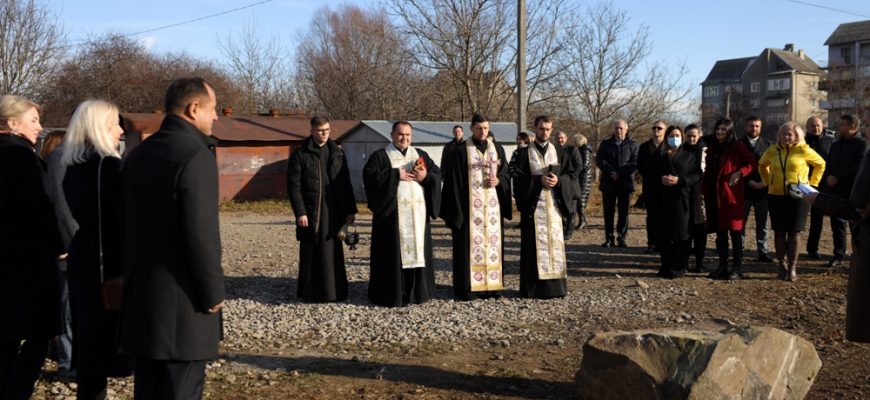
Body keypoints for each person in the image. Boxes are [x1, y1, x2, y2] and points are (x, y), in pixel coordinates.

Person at [119, 78, 226, 399]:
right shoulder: (194, 155)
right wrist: (212, 292)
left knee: (150, 390)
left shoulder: (138, 154)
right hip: (183, 306)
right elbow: (201, 233)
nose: (217, 117)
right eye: (213, 109)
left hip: (143, 301)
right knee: (181, 390)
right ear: (193, 109)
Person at [61, 100, 135, 399]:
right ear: (101, 127)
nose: (120, 130)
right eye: (115, 123)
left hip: (84, 258)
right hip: (106, 264)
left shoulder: (72, 166)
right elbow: (121, 220)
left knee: (90, 349)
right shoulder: (108, 166)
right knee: (104, 345)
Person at [0, 95, 64, 400]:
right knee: (40, 331)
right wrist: (59, 244)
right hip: (28, 259)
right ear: (12, 123)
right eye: (34, 120)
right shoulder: (19, 155)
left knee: (7, 332)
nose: (39, 127)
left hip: (7, 258)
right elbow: (38, 205)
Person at [363, 121, 441, 307]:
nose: (404, 138)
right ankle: (393, 294)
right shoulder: (380, 156)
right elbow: (370, 177)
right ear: (392, 134)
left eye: (408, 135)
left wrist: (426, 177)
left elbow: (437, 174)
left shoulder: (420, 155)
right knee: (393, 255)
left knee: (418, 251)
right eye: (400, 134)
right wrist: (395, 174)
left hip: (418, 217)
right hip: (392, 219)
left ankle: (418, 293)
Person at [439, 113, 512, 300]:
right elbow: (453, 182)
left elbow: (505, 174)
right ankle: (468, 289)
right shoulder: (461, 150)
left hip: (492, 211)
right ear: (471, 128)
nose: (483, 132)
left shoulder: (497, 149)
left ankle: (492, 287)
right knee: (467, 249)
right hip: (468, 210)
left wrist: (499, 181)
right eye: (479, 128)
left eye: (486, 128)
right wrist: (457, 213)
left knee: (492, 247)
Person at [287, 116, 358, 302]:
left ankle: (335, 291)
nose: (324, 134)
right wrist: (300, 212)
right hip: (312, 210)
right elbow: (293, 186)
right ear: (311, 131)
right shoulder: (300, 154)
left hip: (335, 210)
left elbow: (346, 183)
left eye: (327, 130)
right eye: (320, 130)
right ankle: (311, 293)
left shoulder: (338, 153)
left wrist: (351, 210)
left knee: (333, 250)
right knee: (312, 249)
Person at [512, 116, 574, 298]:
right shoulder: (524, 153)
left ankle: (556, 289)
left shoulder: (561, 153)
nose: (544, 132)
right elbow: (518, 179)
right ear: (535, 128)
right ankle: (533, 289)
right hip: (534, 209)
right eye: (541, 129)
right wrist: (538, 180)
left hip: (554, 209)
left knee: (554, 247)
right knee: (533, 250)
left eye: (547, 129)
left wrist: (559, 181)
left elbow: (571, 176)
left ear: (551, 130)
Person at [758, 122, 825, 281]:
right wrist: (768, 182)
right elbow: (762, 165)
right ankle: (781, 265)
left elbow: (820, 164)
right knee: (779, 231)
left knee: (795, 232)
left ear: (797, 136)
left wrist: (812, 184)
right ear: (779, 136)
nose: (787, 137)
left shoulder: (804, 150)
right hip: (776, 195)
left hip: (799, 197)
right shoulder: (773, 150)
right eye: (784, 134)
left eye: (790, 134)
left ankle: (793, 267)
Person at [703, 118, 757, 280]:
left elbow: (752, 163)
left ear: (729, 131)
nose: (720, 132)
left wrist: (740, 172)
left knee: (735, 232)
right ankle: (723, 266)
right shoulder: (712, 147)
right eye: (718, 129)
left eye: (723, 129)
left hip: (731, 195)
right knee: (720, 233)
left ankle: (737, 267)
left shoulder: (737, 146)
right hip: (714, 195)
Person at [42, 130, 76, 378]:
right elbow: (61, 208)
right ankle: (67, 362)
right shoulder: (61, 160)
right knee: (66, 305)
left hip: (63, 246)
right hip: (65, 248)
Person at [649, 126, 702, 278]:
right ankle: (665, 265)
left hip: (682, 198)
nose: (675, 138)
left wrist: (681, 180)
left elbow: (697, 175)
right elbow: (649, 174)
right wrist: (660, 179)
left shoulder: (690, 155)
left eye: (678, 135)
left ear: (683, 137)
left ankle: (678, 267)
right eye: (672, 135)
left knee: (683, 234)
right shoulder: (659, 155)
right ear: (666, 138)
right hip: (663, 200)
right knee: (665, 234)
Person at [819, 114, 868, 268]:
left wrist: (838, 177)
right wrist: (828, 177)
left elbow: (859, 167)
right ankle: (838, 254)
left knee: (857, 225)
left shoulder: (863, 145)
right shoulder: (836, 144)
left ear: (852, 127)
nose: (839, 128)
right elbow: (828, 164)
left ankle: (859, 255)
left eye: (842, 125)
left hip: (854, 191)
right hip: (836, 190)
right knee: (837, 225)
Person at [596, 119, 639, 248]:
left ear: (626, 128)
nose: (618, 130)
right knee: (608, 212)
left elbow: (635, 162)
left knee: (624, 212)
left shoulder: (633, 145)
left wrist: (620, 173)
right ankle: (609, 238)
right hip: (608, 183)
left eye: (621, 128)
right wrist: (611, 172)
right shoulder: (605, 144)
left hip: (625, 183)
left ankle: (621, 237)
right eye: (616, 128)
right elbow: (600, 160)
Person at [739, 116, 774, 263]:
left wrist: (763, 183)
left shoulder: (768, 145)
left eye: (757, 126)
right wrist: (748, 181)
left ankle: (763, 251)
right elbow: (735, 166)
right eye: (751, 126)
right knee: (740, 222)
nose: (754, 129)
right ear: (746, 127)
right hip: (743, 189)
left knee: (763, 223)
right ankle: (738, 249)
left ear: (761, 127)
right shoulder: (738, 144)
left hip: (763, 190)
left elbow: (773, 167)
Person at [804, 116, 837, 260]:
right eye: (812, 125)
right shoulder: (802, 142)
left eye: (818, 125)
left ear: (822, 126)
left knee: (835, 221)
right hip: (807, 184)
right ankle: (812, 249)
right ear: (807, 127)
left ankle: (838, 253)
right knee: (815, 220)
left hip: (828, 184)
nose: (815, 128)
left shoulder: (831, 141)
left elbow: (834, 161)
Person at [637, 120, 667, 254]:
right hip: (650, 186)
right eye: (654, 128)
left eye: (659, 128)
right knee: (651, 216)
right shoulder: (644, 147)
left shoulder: (669, 145)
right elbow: (640, 166)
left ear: (665, 130)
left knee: (664, 216)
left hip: (667, 187)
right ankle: (652, 243)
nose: (656, 130)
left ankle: (664, 244)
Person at [684, 124, 708, 272]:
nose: (692, 138)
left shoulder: (705, 151)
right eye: (689, 136)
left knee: (701, 230)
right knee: (686, 230)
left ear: (699, 136)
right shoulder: (681, 151)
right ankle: (684, 262)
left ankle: (699, 262)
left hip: (701, 194)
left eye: (694, 136)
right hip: (685, 193)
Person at [554, 130, 582, 238]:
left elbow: (579, 166)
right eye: (557, 138)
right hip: (557, 184)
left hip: (571, 184)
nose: (560, 140)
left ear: (566, 138)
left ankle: (569, 232)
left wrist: (570, 178)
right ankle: (561, 229)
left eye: (562, 138)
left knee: (571, 210)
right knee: (560, 208)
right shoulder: (553, 150)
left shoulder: (573, 150)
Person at [573, 133, 594, 230]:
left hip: (585, 179)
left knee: (581, 200)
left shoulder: (584, 150)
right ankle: (582, 220)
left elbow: (584, 165)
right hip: (581, 178)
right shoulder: (581, 150)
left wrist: (575, 169)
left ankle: (582, 221)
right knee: (579, 200)